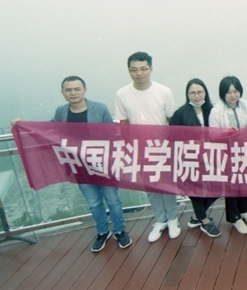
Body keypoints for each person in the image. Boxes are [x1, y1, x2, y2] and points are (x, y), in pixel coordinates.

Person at [12, 76, 133, 252]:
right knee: (94, 203)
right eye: (68, 90)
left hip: (103, 163)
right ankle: (102, 232)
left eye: (77, 89)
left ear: (85, 90)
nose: (73, 93)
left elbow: (111, 133)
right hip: (78, 166)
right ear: (62, 92)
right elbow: (48, 128)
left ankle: (120, 231)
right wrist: (23, 124)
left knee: (113, 200)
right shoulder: (61, 112)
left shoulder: (99, 108)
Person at [114, 52, 180, 243]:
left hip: (163, 147)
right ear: (129, 71)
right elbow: (123, 124)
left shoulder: (163, 91)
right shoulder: (121, 94)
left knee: (167, 185)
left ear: (151, 69)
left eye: (143, 69)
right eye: (134, 70)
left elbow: (172, 120)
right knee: (151, 187)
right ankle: (160, 220)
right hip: (140, 149)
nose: (139, 73)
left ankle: (173, 219)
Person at [169, 78, 221, 238]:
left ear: (205, 92)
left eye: (200, 92)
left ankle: (197, 216)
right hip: (190, 159)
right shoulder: (180, 113)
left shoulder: (213, 110)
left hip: (212, 158)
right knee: (195, 191)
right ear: (187, 94)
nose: (196, 96)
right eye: (192, 93)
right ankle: (204, 221)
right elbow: (172, 138)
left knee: (219, 187)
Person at [209, 76, 247, 234]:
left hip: (243, 151)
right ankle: (234, 217)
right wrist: (226, 132)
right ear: (223, 93)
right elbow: (212, 134)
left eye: (236, 91)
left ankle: (243, 210)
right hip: (226, 153)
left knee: (243, 182)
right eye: (229, 92)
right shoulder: (217, 111)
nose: (233, 95)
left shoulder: (244, 105)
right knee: (231, 186)